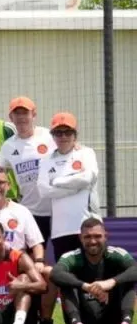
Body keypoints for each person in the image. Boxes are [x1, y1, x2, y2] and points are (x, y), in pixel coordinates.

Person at [51, 218, 136, 324]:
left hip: (113, 322)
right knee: (66, 281)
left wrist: (111, 282)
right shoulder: (73, 257)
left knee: (128, 279)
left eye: (97, 236)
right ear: (80, 238)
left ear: (106, 236)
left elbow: (135, 269)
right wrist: (85, 286)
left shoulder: (116, 254)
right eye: (87, 237)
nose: (93, 241)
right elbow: (55, 273)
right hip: (84, 320)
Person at [37, 112, 100, 262]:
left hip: (87, 227)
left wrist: (58, 181)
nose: (63, 137)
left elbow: (87, 178)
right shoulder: (46, 160)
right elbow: (43, 191)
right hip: (60, 230)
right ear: (53, 136)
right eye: (58, 133)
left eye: (68, 132)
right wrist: (72, 188)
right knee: (66, 279)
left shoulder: (86, 153)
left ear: (75, 135)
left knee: (92, 276)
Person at [0, 96, 55, 241]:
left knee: (63, 254)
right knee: (33, 257)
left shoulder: (49, 135)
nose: (21, 118)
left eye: (25, 113)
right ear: (11, 117)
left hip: (57, 208)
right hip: (31, 211)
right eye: (17, 114)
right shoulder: (8, 146)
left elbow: (69, 150)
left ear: (33, 114)